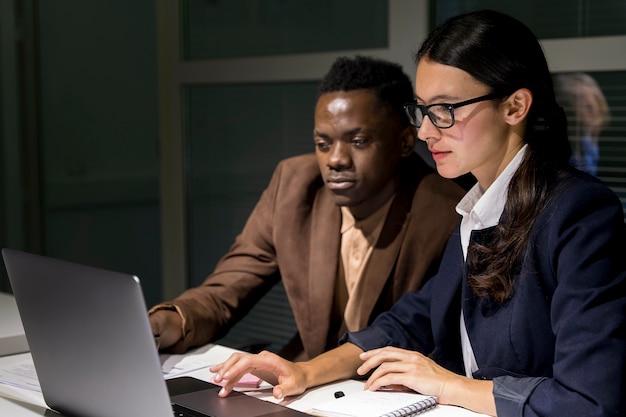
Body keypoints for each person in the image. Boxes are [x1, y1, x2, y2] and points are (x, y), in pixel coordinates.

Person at [210, 10, 626, 417]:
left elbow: (588, 400)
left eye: (445, 109)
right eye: (423, 109)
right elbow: (412, 320)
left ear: (515, 107)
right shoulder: (477, 209)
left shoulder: (579, 214)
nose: (426, 131)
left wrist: (448, 384)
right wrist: (303, 371)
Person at [149, 55, 466, 361]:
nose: (335, 160)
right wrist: (170, 322)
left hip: (391, 396)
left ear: (406, 142)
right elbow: (227, 289)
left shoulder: (446, 212)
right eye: (323, 144)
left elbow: (438, 339)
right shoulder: (293, 186)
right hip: (302, 383)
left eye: (357, 141)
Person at [554, 72, 610, 176]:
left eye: (594, 97)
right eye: (580, 98)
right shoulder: (561, 151)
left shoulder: (590, 143)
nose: (590, 104)